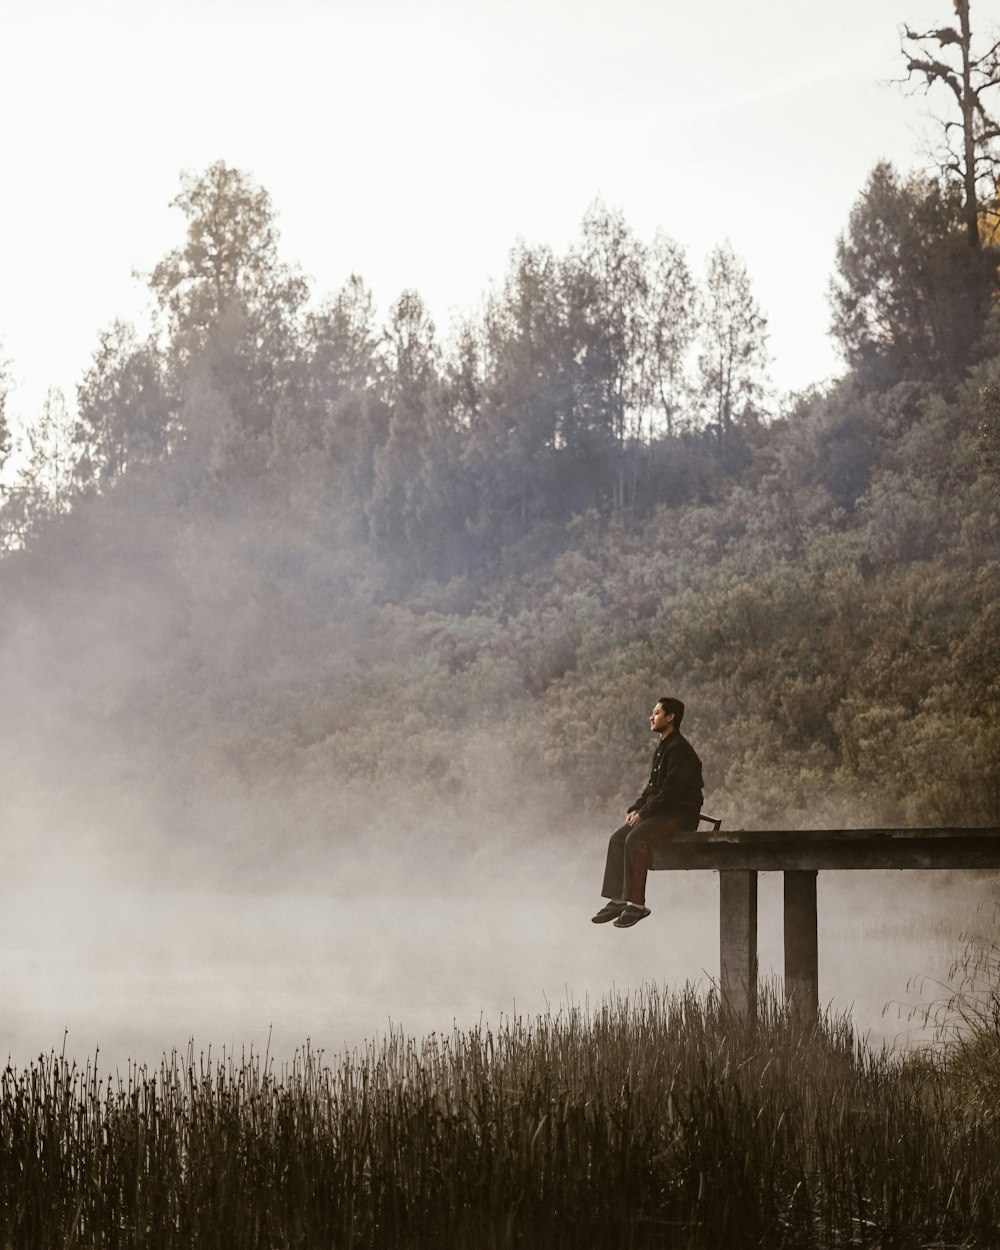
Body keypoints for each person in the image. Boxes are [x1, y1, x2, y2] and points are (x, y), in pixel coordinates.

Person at [591, 696, 703, 929]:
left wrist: (644, 813)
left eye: (657, 713)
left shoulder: (680, 750)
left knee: (636, 839)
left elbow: (670, 792)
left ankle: (637, 905)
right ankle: (618, 899)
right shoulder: (663, 747)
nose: (651, 717)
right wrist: (636, 808)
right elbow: (653, 787)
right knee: (618, 838)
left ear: (670, 717)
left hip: (679, 816)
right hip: (661, 811)